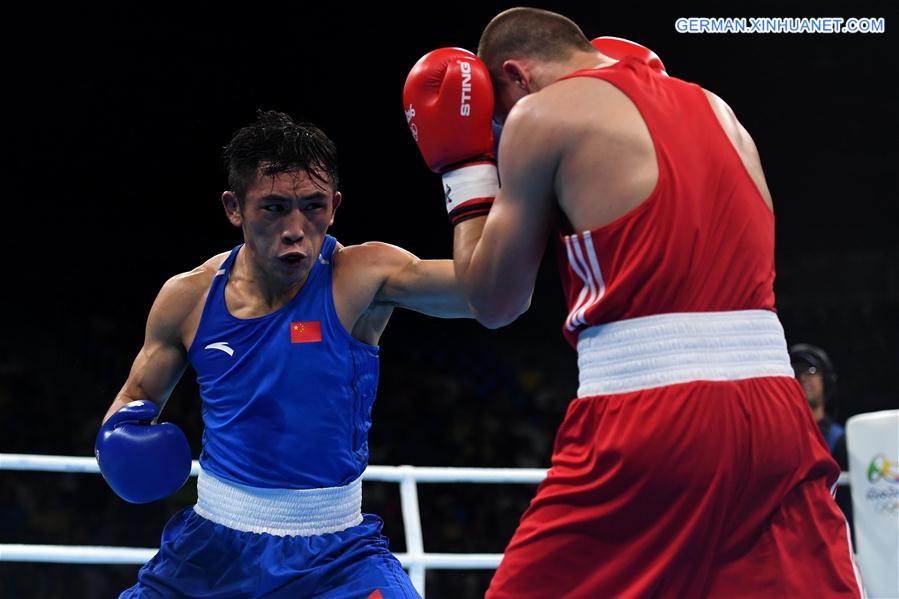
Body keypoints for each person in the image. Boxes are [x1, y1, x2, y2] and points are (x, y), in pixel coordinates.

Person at [402, 7, 865, 598]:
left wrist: (465, 168)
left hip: (652, 415)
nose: (501, 132)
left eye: (497, 119)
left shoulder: (542, 112)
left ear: (516, 77)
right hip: (778, 416)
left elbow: (493, 299)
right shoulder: (718, 108)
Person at [96, 110, 474, 598]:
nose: (296, 228)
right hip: (210, 553)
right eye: (273, 208)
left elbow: (492, 298)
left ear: (335, 206)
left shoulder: (361, 276)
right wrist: (118, 438)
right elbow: (139, 392)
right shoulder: (188, 298)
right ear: (235, 207)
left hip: (338, 557)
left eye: (313, 206)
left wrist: (473, 175)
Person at [790, 343, 847, 466]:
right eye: (795, 371)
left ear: (826, 380)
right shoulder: (780, 438)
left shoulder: (839, 440)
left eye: (810, 370)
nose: (802, 377)